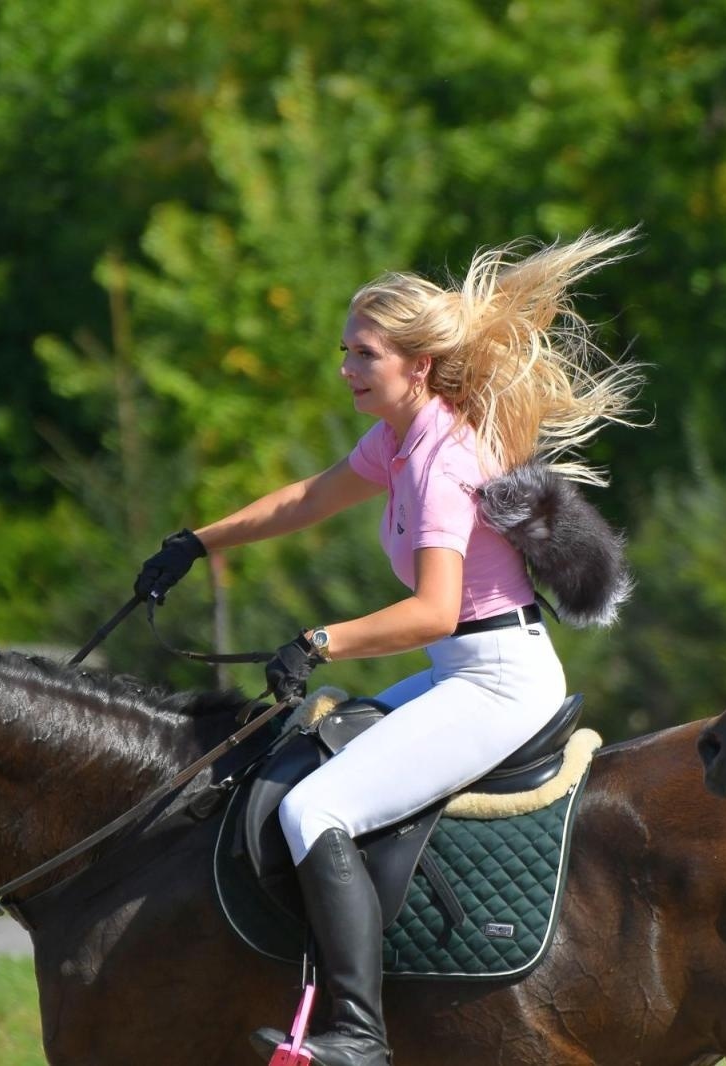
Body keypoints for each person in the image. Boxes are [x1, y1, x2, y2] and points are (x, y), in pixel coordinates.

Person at [133, 229, 642, 1066]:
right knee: (299, 756)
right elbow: (311, 495)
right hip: (464, 672)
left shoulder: (444, 462)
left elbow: (437, 611)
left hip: (500, 682)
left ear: (419, 366)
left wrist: (320, 640)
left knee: (315, 809)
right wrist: (197, 541)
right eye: (345, 351)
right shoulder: (401, 440)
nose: (346, 370)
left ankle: (361, 1036)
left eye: (364, 355)